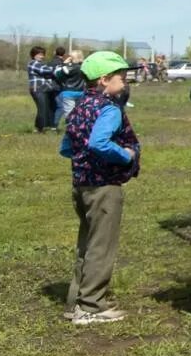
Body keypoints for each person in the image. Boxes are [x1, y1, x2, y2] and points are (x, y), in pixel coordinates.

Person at [60, 51, 142, 325]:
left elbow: (66, 147)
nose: (125, 81)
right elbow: (99, 143)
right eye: (122, 77)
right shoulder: (108, 109)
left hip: (81, 185)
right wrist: (126, 155)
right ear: (105, 80)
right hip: (104, 186)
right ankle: (91, 306)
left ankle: (75, 302)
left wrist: (82, 161)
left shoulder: (80, 107)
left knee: (86, 244)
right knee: (101, 247)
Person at [27, 46, 57, 132]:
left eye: (43, 54)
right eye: (39, 54)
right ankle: (39, 128)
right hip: (37, 89)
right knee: (42, 109)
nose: (42, 56)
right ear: (34, 55)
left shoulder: (41, 63)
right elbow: (46, 70)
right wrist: (58, 67)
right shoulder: (33, 63)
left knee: (43, 108)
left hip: (43, 89)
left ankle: (39, 127)